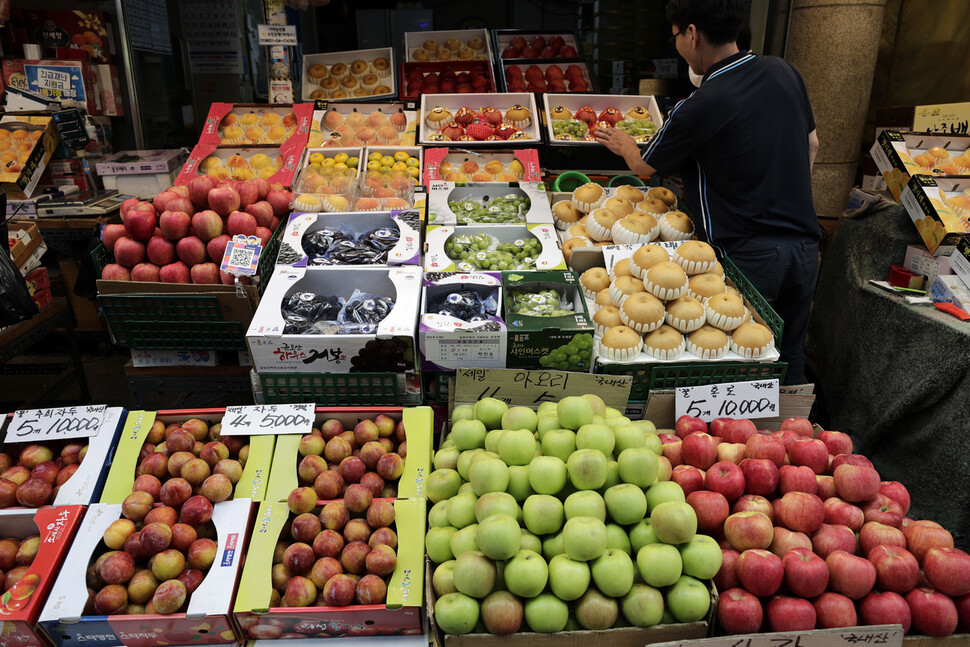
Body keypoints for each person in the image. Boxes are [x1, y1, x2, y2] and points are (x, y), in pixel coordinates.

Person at [594, 0, 820, 385]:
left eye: (676, 36)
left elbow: (645, 166)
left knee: (738, 360)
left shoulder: (702, 102)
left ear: (693, 34)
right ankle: (790, 428)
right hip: (805, 246)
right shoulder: (783, 70)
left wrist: (622, 143)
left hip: (749, 254)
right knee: (787, 353)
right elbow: (812, 144)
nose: (679, 44)